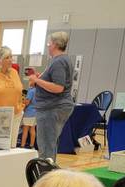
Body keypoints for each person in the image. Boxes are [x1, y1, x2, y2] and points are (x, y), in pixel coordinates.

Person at [29, 32, 74, 162]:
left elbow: (58, 87)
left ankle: (46, 175)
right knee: (49, 143)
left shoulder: (58, 62)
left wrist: (37, 81)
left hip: (51, 107)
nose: (48, 46)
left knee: (46, 146)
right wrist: (42, 78)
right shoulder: (62, 60)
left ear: (54, 44)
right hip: (55, 106)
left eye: (49, 43)